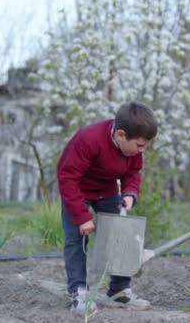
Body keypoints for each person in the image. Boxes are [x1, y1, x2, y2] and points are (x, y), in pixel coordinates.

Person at [57, 101, 158, 315]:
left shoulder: (132, 150)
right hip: (77, 191)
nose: (142, 150)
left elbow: (133, 173)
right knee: (76, 240)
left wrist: (130, 193)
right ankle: (78, 293)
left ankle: (118, 291)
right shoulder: (89, 140)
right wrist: (82, 216)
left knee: (121, 234)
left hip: (107, 191)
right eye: (140, 145)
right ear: (121, 135)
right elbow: (67, 177)